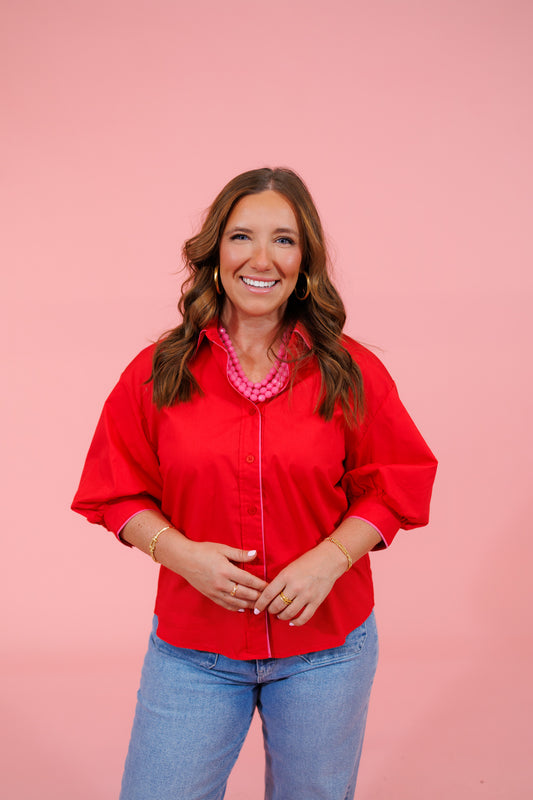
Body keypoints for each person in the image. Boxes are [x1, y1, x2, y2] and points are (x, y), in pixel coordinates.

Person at [72, 167, 437, 800]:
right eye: (242, 236)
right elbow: (114, 488)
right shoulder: (159, 371)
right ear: (216, 253)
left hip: (327, 651)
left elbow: (398, 481)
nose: (261, 258)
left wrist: (329, 560)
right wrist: (180, 554)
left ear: (305, 262)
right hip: (194, 651)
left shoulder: (352, 370)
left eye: (284, 240)